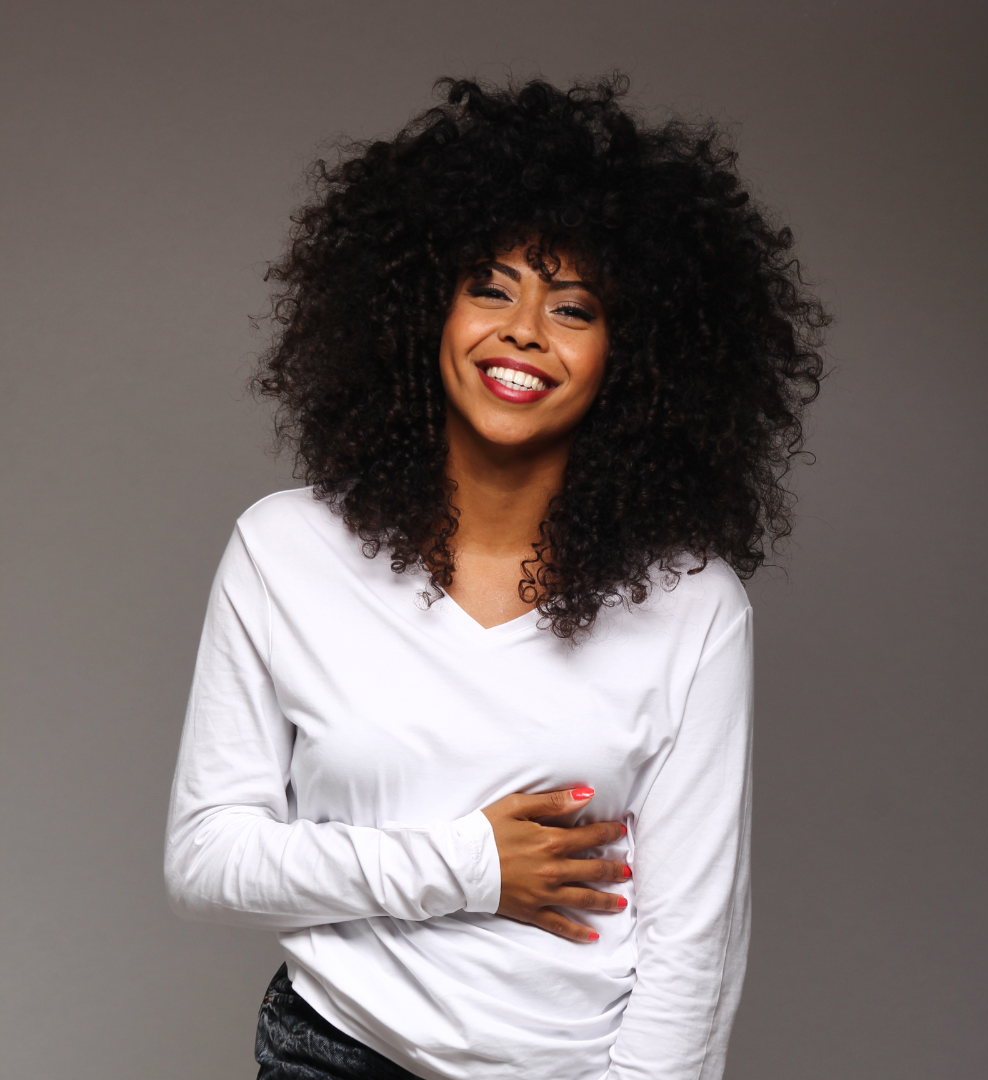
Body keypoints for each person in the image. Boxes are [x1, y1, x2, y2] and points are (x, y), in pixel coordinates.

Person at [164, 74, 826, 1080]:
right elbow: (207, 862)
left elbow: (694, 945)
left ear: (632, 357)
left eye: (573, 305)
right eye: (490, 285)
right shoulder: (285, 550)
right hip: (336, 1054)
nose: (522, 329)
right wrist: (473, 866)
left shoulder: (693, 608)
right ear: (423, 308)